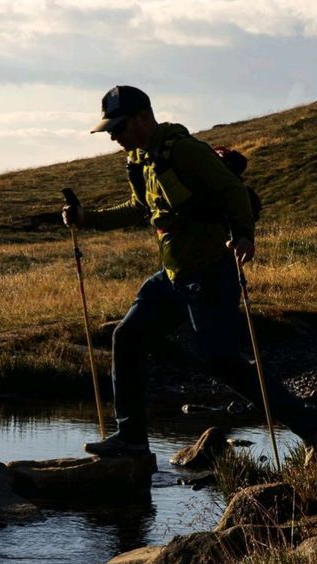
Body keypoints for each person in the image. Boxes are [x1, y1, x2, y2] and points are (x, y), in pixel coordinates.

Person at [62, 85, 315, 456]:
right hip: (175, 275)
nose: (114, 136)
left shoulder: (184, 151)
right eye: (109, 130)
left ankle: (310, 426)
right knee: (127, 337)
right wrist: (87, 218)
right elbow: (140, 207)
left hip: (211, 273)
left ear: (143, 117)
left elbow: (234, 192)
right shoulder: (141, 160)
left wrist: (244, 236)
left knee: (222, 361)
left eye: (118, 127)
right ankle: (131, 439)